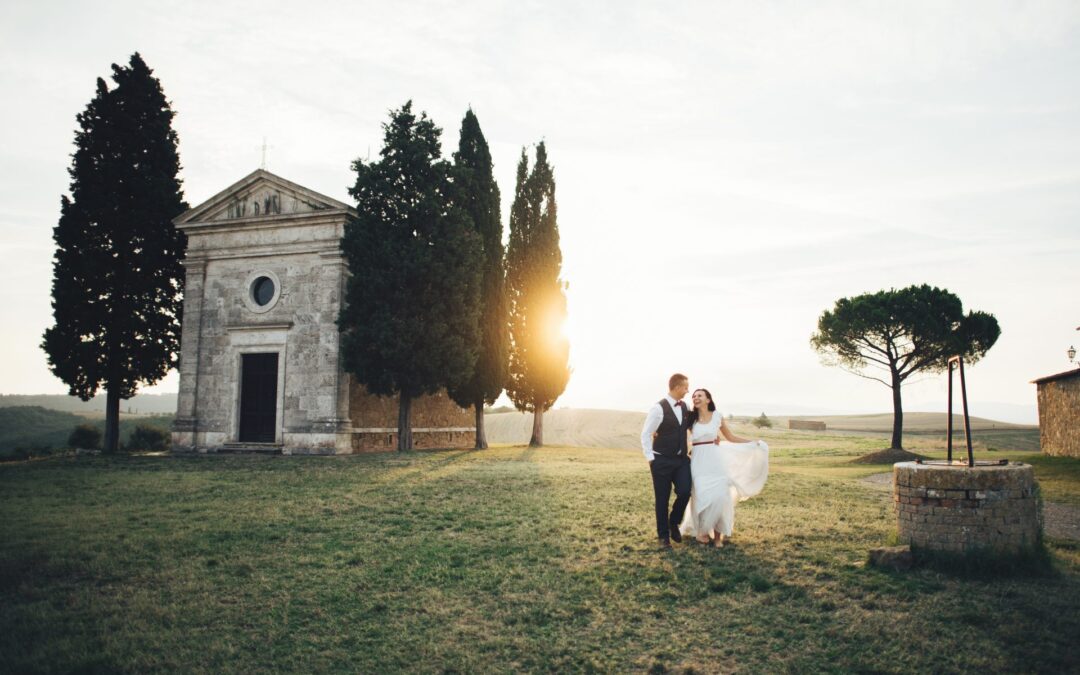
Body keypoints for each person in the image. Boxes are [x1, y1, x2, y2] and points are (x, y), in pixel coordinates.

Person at [680, 388, 769, 547]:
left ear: (708, 399)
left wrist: (752, 443)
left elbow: (731, 437)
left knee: (720, 497)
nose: (695, 397)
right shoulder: (690, 418)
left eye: (699, 395)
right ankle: (702, 532)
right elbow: (679, 435)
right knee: (701, 496)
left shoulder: (717, 417)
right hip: (698, 462)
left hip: (716, 461)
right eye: (693, 396)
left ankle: (717, 537)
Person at [640, 373, 693, 549]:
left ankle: (673, 522)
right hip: (661, 460)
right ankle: (663, 537)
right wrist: (651, 459)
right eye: (686, 387)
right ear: (677, 387)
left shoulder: (685, 406)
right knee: (662, 499)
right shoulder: (658, 408)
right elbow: (646, 434)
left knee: (685, 491)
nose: (687, 390)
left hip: (681, 460)